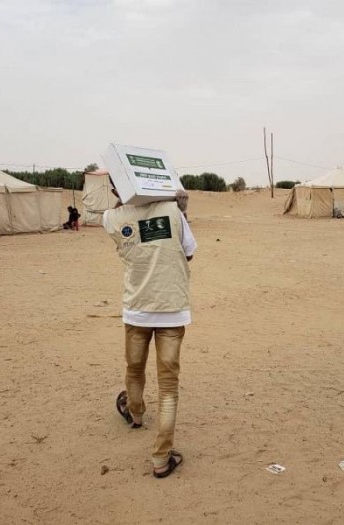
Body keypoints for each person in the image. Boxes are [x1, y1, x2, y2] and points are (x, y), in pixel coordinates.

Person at [103, 186, 196, 479]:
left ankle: (136, 413)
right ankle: (161, 458)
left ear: (116, 187)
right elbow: (188, 254)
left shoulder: (112, 218)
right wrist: (181, 213)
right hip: (172, 308)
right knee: (168, 387)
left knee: (134, 368)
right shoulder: (173, 211)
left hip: (137, 308)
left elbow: (127, 235)